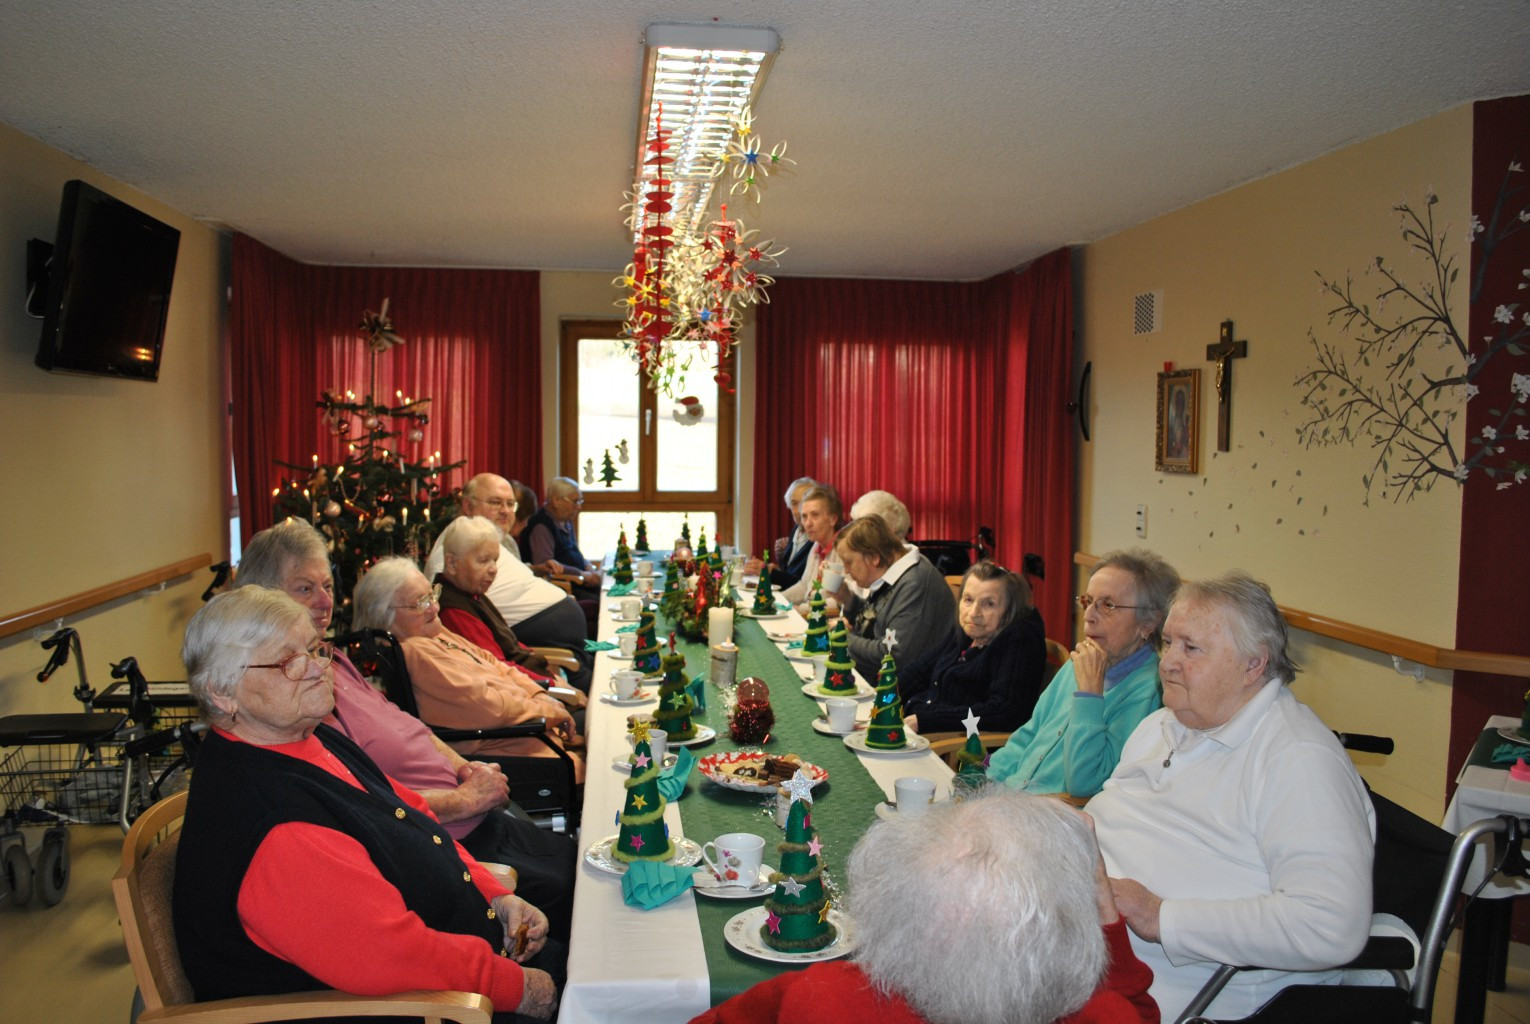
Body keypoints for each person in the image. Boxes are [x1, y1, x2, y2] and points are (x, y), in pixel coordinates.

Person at [173, 586, 558, 1019]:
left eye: (316, 649)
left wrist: (492, 895)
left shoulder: (307, 737)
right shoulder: (275, 824)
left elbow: (414, 817)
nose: (319, 669)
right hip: (422, 1006)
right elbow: (392, 956)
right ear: (223, 694)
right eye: (287, 661)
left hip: (460, 958)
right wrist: (517, 988)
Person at [233, 518, 577, 937]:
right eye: (305, 589)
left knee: (576, 861)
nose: (325, 602)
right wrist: (461, 800)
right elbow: (362, 806)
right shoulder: (291, 699)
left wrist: (466, 770)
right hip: (442, 834)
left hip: (472, 810)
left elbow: (414, 728)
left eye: (327, 586)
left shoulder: (333, 660)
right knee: (571, 888)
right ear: (263, 601)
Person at [1090, 572, 1375, 1020]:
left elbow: (1330, 925)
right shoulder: (1162, 725)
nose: (1166, 662)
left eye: (1191, 648)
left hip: (1174, 990)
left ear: (1253, 665)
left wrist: (1160, 916)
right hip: (1087, 950)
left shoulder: (1298, 759)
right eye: (1168, 643)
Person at [690, 789, 1158, 1024]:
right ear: (1064, 953)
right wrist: (1099, 894)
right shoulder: (1095, 1012)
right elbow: (1137, 1010)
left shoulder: (829, 1000)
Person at [351, 558, 585, 777]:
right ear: (384, 616)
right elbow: (491, 707)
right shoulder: (416, 652)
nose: (434, 607)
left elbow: (494, 664)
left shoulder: (435, 632)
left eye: (432, 595)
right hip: (512, 746)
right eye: (420, 603)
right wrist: (550, 711)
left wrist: (540, 695)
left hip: (532, 727)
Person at [986, 549, 1178, 799]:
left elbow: (1085, 784)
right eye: (1087, 602)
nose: (1088, 616)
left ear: (1148, 623)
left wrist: (1090, 694)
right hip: (1010, 800)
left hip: (1058, 818)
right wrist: (984, 780)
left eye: (1107, 605)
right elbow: (1028, 737)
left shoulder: (1150, 692)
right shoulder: (1078, 664)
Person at [424, 473, 594, 653]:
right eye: (496, 502)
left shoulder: (488, 539)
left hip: (556, 635)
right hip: (540, 643)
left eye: (510, 504)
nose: (506, 511)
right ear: (468, 506)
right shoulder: (456, 549)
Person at [435, 514, 593, 693]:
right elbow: (497, 668)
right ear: (452, 563)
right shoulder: (454, 610)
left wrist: (548, 671)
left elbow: (512, 646)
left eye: (495, 560)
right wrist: (553, 684)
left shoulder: (471, 593)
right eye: (483, 561)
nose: (493, 569)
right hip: (526, 693)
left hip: (533, 680)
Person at [900, 561, 1047, 736]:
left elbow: (1004, 711)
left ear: (1009, 611)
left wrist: (926, 721)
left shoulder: (1020, 643)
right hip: (924, 729)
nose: (973, 613)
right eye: (968, 600)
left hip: (964, 751)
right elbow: (921, 670)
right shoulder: (968, 632)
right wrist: (886, 693)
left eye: (989, 604)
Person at [835, 515, 960, 681]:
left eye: (849, 562)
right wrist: (848, 599)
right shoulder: (893, 572)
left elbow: (893, 654)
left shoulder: (915, 583)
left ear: (874, 558)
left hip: (899, 693)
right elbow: (875, 620)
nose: (846, 571)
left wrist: (842, 638)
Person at [520, 477, 601, 595]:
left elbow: (574, 552)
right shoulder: (541, 526)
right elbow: (548, 569)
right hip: (564, 588)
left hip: (579, 581)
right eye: (575, 501)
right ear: (556, 500)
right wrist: (582, 575)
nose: (579, 507)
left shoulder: (565, 520)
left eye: (580, 501)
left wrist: (588, 566)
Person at [780, 484, 845, 608]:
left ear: (833, 519)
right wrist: (778, 599)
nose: (808, 523)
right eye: (804, 516)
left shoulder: (844, 550)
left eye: (815, 515)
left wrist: (803, 609)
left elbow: (842, 601)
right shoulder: (816, 545)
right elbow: (804, 586)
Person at [746, 476, 818, 588]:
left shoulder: (817, 537)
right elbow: (790, 573)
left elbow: (804, 585)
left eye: (804, 501)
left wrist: (770, 572)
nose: (800, 509)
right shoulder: (797, 530)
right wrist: (777, 566)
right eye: (794, 503)